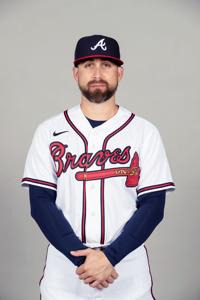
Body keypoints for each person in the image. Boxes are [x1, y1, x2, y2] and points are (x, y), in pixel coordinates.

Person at [21, 34, 175, 300]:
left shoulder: (144, 132)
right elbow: (40, 203)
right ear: (75, 73)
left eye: (106, 64)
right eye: (88, 64)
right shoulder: (48, 131)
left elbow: (153, 206)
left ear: (120, 72)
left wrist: (110, 258)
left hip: (126, 266)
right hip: (65, 268)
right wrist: (83, 262)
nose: (97, 72)